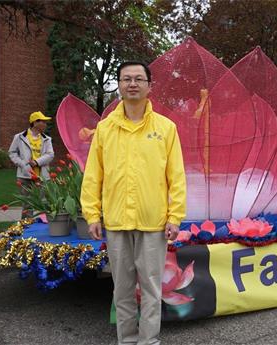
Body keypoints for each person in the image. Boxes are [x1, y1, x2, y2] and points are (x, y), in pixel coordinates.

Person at [81, 61, 186, 345]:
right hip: (116, 221)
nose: (132, 84)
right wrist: (92, 215)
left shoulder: (166, 128)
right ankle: (126, 340)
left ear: (150, 86)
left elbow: (176, 177)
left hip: (152, 222)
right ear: (119, 85)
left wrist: (174, 216)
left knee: (151, 289)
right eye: (126, 79)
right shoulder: (105, 129)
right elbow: (93, 176)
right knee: (123, 290)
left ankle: (148, 341)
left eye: (139, 79)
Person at [8, 111, 54, 218]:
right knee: (27, 204)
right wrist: (22, 164)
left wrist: (37, 162)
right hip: (25, 176)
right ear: (35, 123)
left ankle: (47, 226)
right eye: (43, 122)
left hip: (42, 177)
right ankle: (26, 227)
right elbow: (12, 153)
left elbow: (50, 155)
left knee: (45, 202)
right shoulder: (19, 137)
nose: (45, 124)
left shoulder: (47, 139)